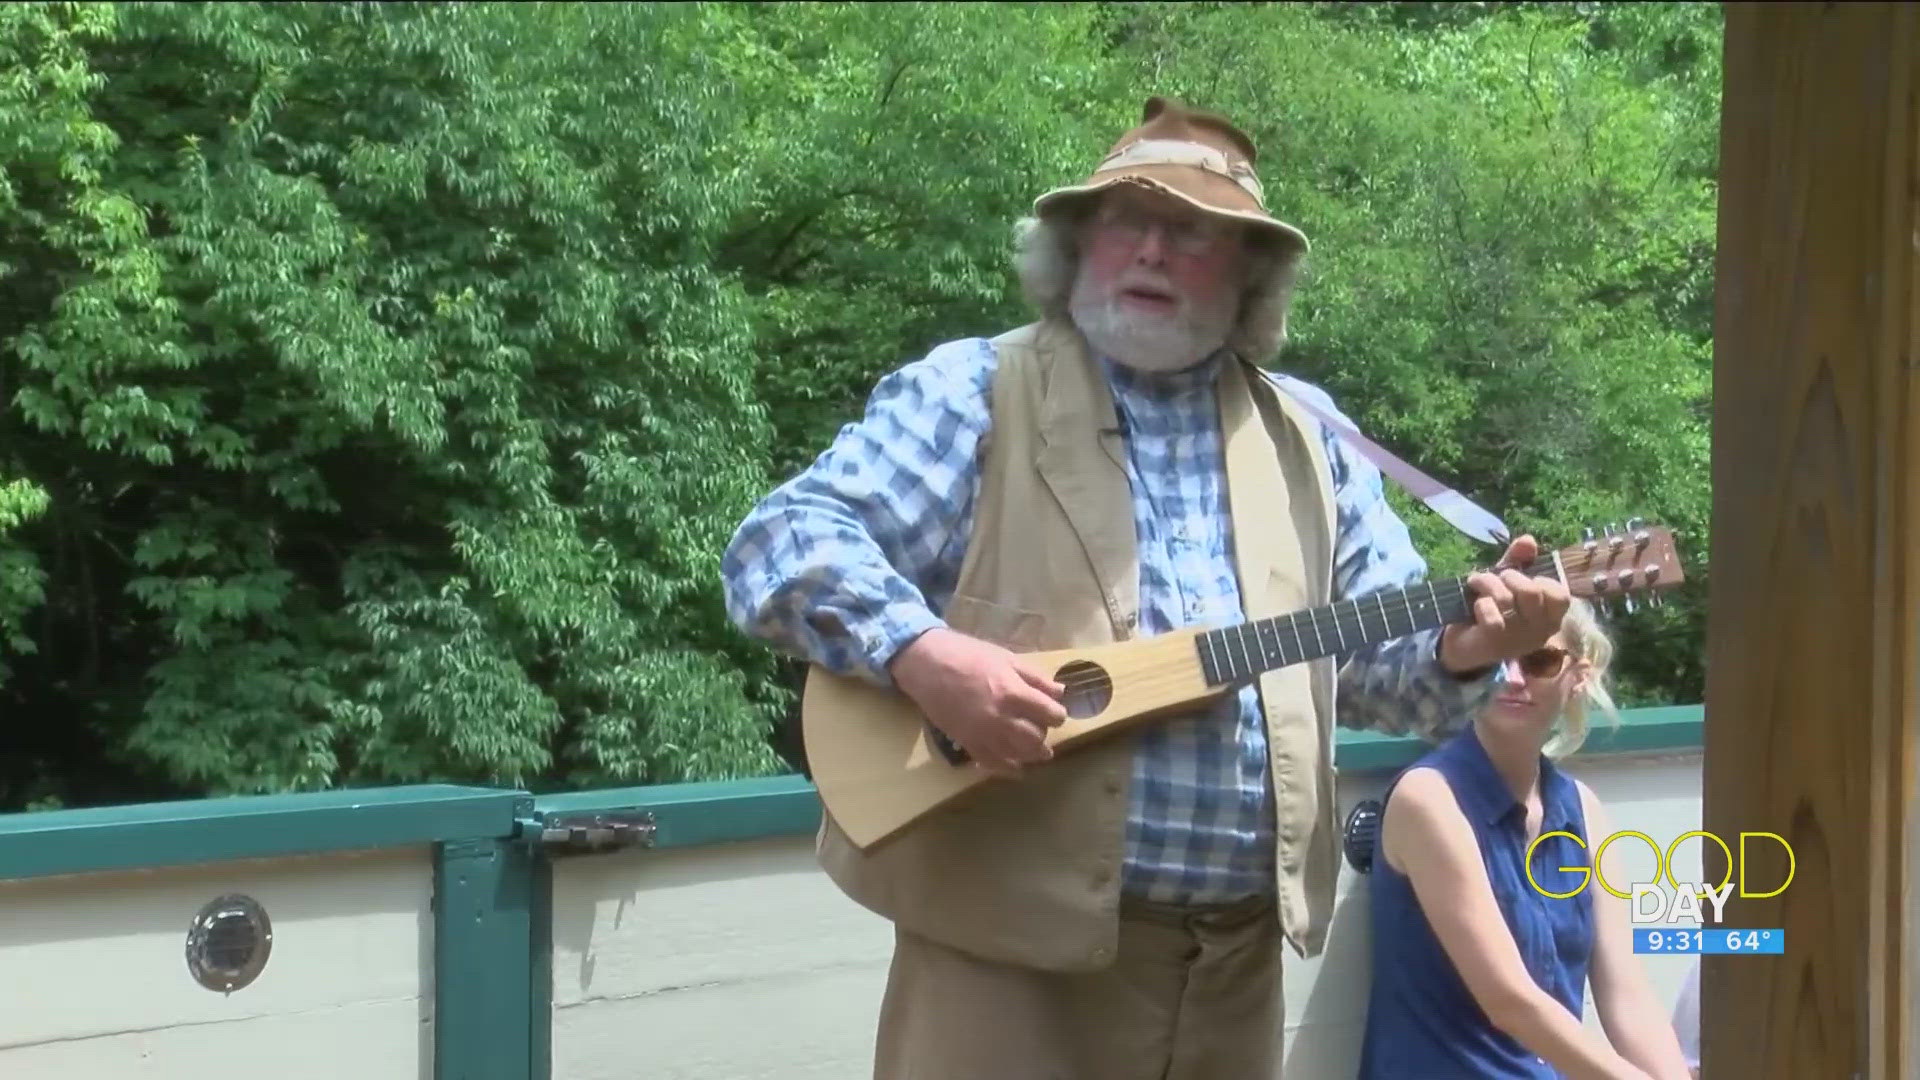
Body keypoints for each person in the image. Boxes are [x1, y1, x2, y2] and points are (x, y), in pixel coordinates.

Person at [721, 95, 1569, 1079]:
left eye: (1196, 234)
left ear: (1251, 279)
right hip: (1005, 973)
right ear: (1074, 246)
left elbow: (1386, 679)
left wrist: (1469, 643)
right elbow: (777, 546)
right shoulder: (977, 389)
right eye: (1128, 221)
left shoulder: (1310, 435)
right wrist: (926, 656)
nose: (1154, 252)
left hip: (1233, 971)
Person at [1357, 598, 1694, 1080]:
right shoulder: (1429, 798)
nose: (1512, 678)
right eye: (1494, 659)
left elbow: (1625, 992)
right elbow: (1510, 1001)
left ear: (1579, 673)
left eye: (1538, 661)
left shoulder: (1582, 809)